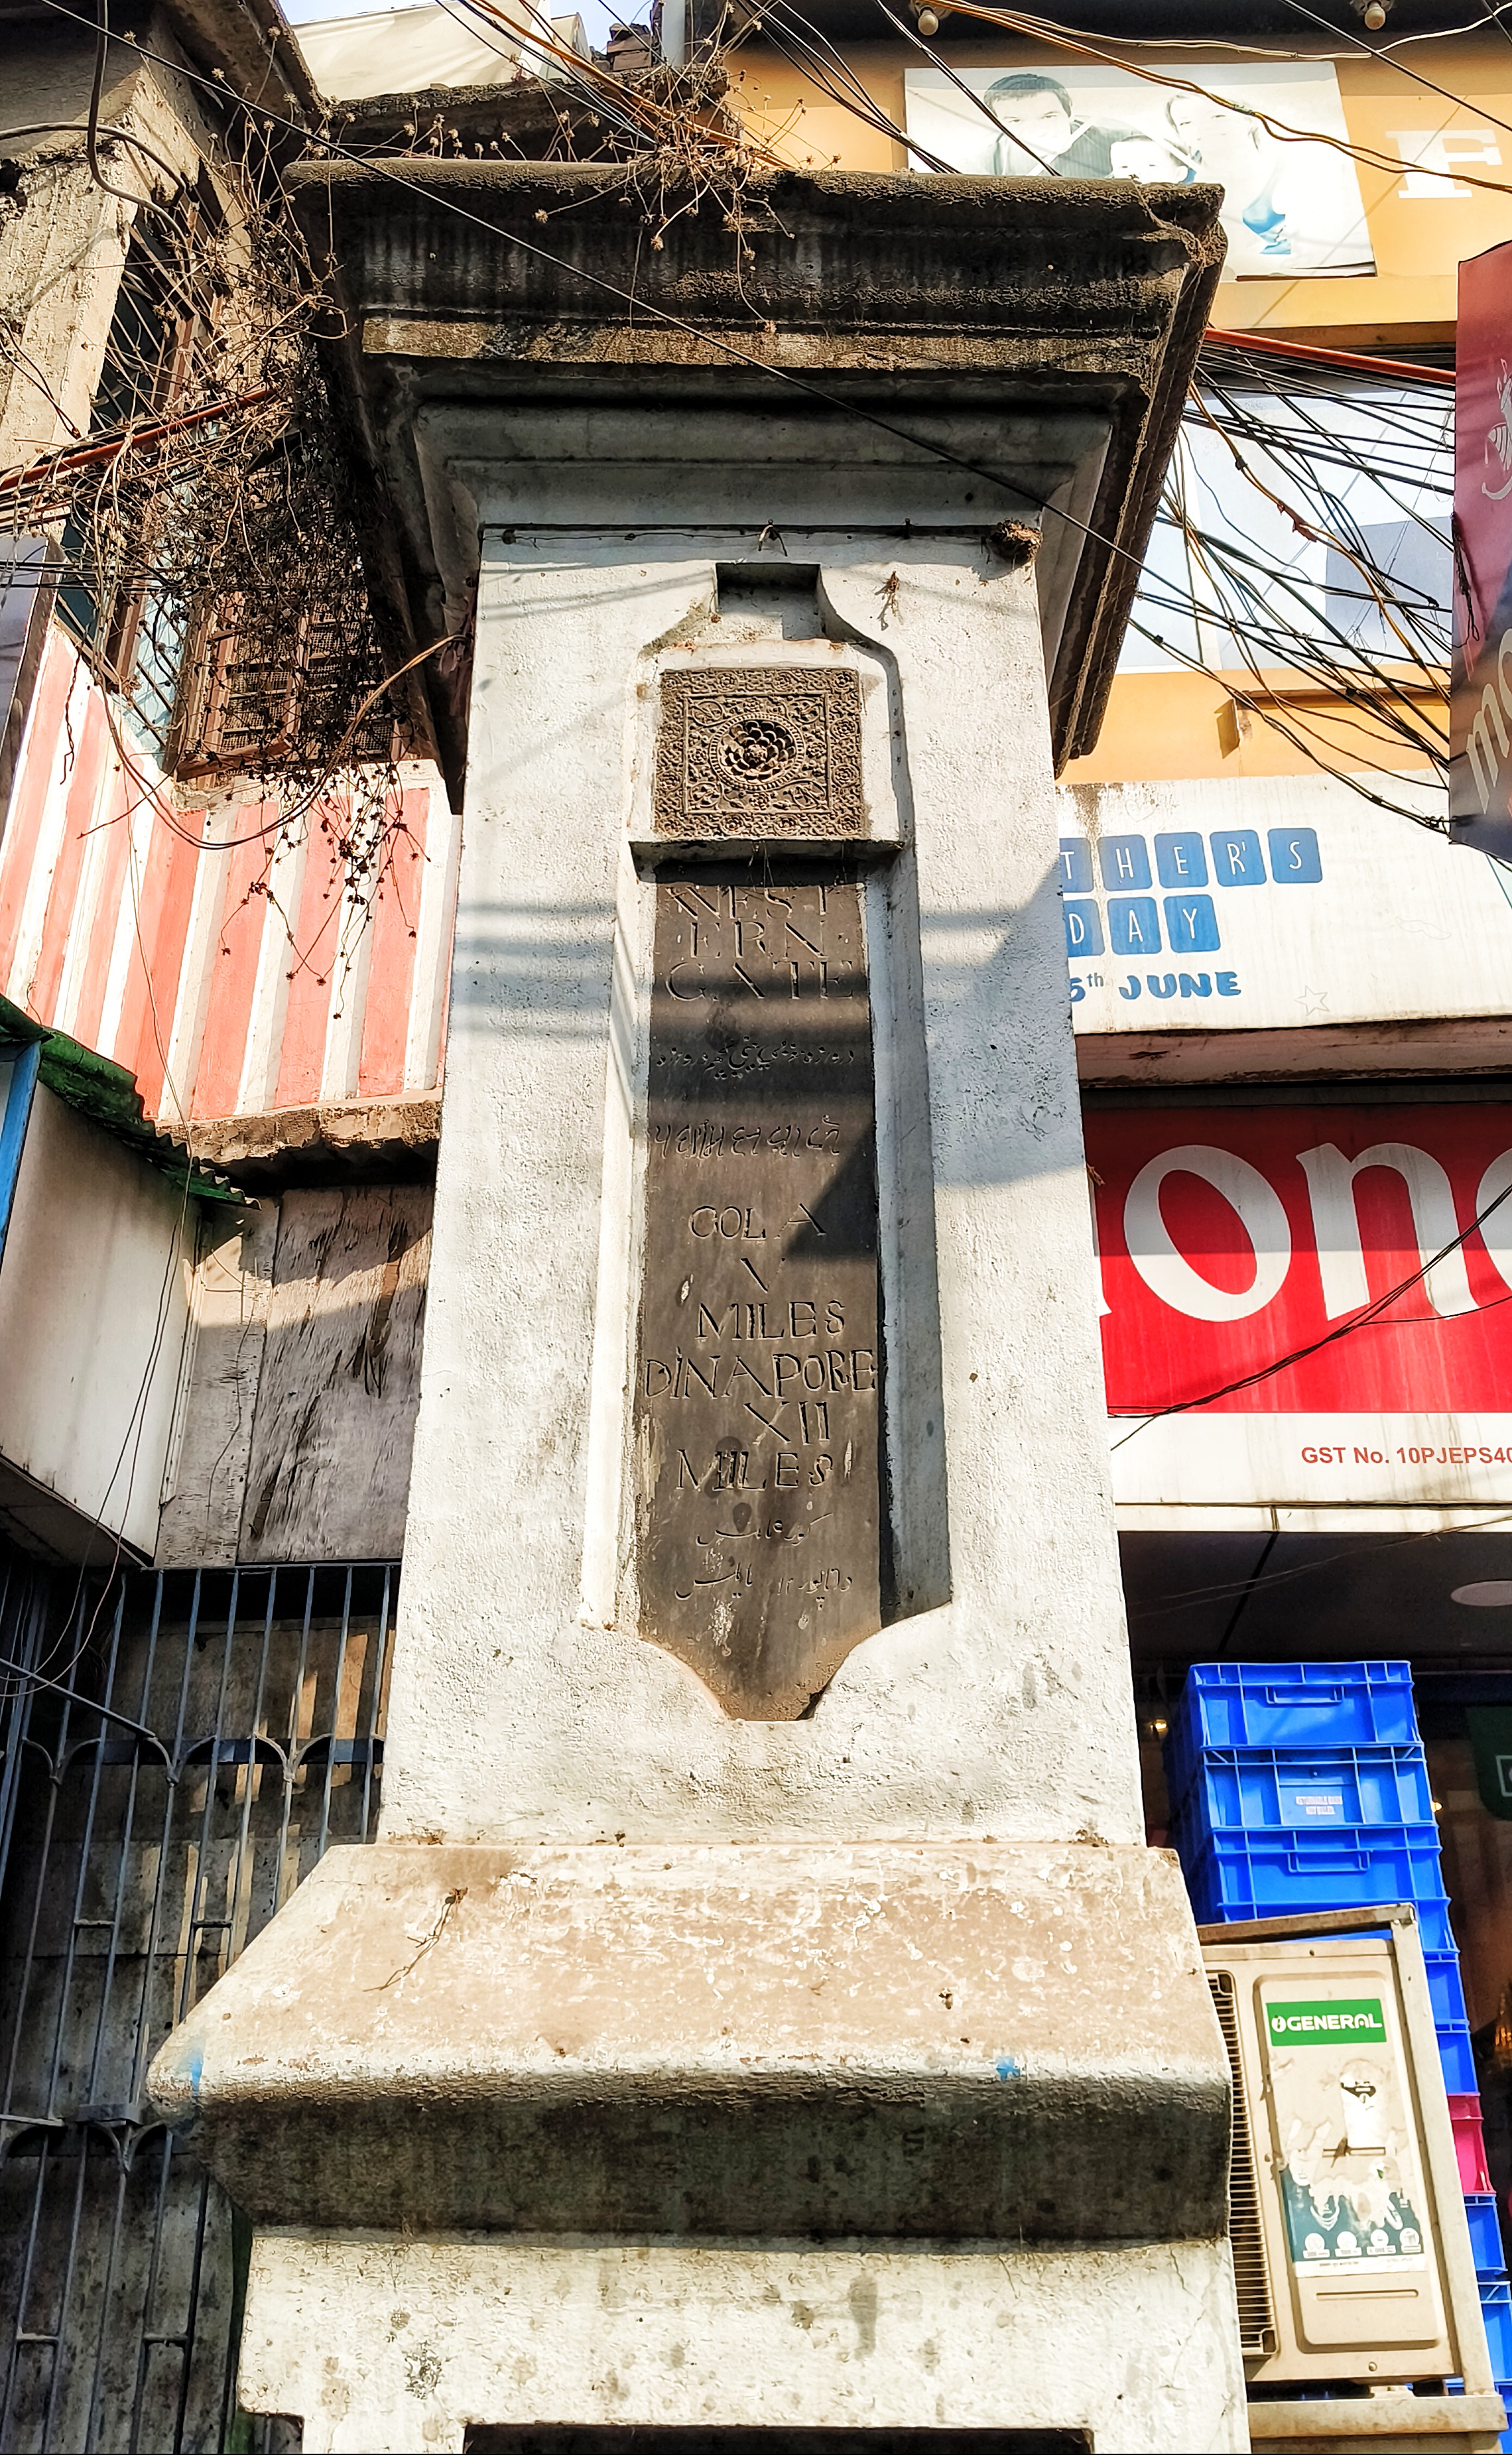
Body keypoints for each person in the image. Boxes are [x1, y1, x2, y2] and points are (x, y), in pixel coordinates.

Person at [987, 73, 1137, 179]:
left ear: (1069, 112)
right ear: (998, 124)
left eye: (1048, 117)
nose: (1038, 131)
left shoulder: (1128, 142)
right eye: (1016, 121)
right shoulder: (985, 163)